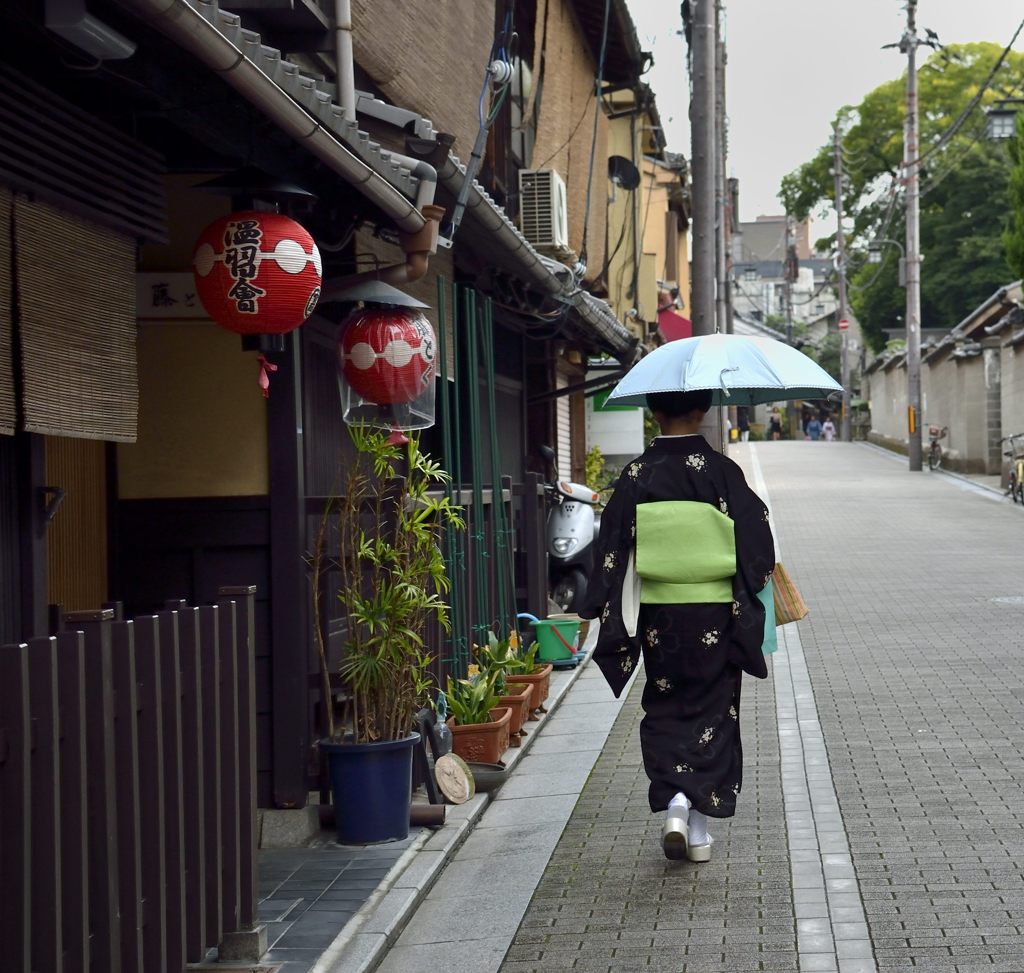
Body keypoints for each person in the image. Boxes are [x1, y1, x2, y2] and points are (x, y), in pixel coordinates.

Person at [579, 389, 775, 863]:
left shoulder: (636, 474)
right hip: (715, 613)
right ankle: (698, 828)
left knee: (665, 702)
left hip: (659, 616)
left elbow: (611, 547)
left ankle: (674, 803)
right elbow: (758, 541)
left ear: (654, 412)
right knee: (715, 709)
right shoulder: (723, 473)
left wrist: (596, 606)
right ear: (703, 411)